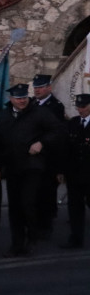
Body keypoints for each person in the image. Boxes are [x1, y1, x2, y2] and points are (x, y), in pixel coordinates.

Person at [0, 83, 63, 258]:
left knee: (28, 203)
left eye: (24, 97)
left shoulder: (39, 113)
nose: (22, 101)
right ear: (11, 99)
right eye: (18, 98)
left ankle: (32, 237)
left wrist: (42, 143)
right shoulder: (4, 116)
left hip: (33, 166)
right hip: (12, 167)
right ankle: (17, 244)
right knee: (14, 207)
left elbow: (57, 130)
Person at [32, 73, 66, 235]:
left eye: (40, 87)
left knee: (46, 192)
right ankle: (36, 223)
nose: (37, 90)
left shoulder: (56, 107)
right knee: (35, 192)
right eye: (36, 87)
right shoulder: (31, 104)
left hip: (48, 156)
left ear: (49, 88)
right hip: (32, 156)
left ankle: (45, 227)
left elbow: (56, 133)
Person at [59, 94, 90, 249]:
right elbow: (66, 149)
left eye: (83, 107)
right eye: (78, 107)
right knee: (75, 208)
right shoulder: (73, 123)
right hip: (75, 174)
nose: (80, 110)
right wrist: (62, 171)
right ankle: (76, 238)